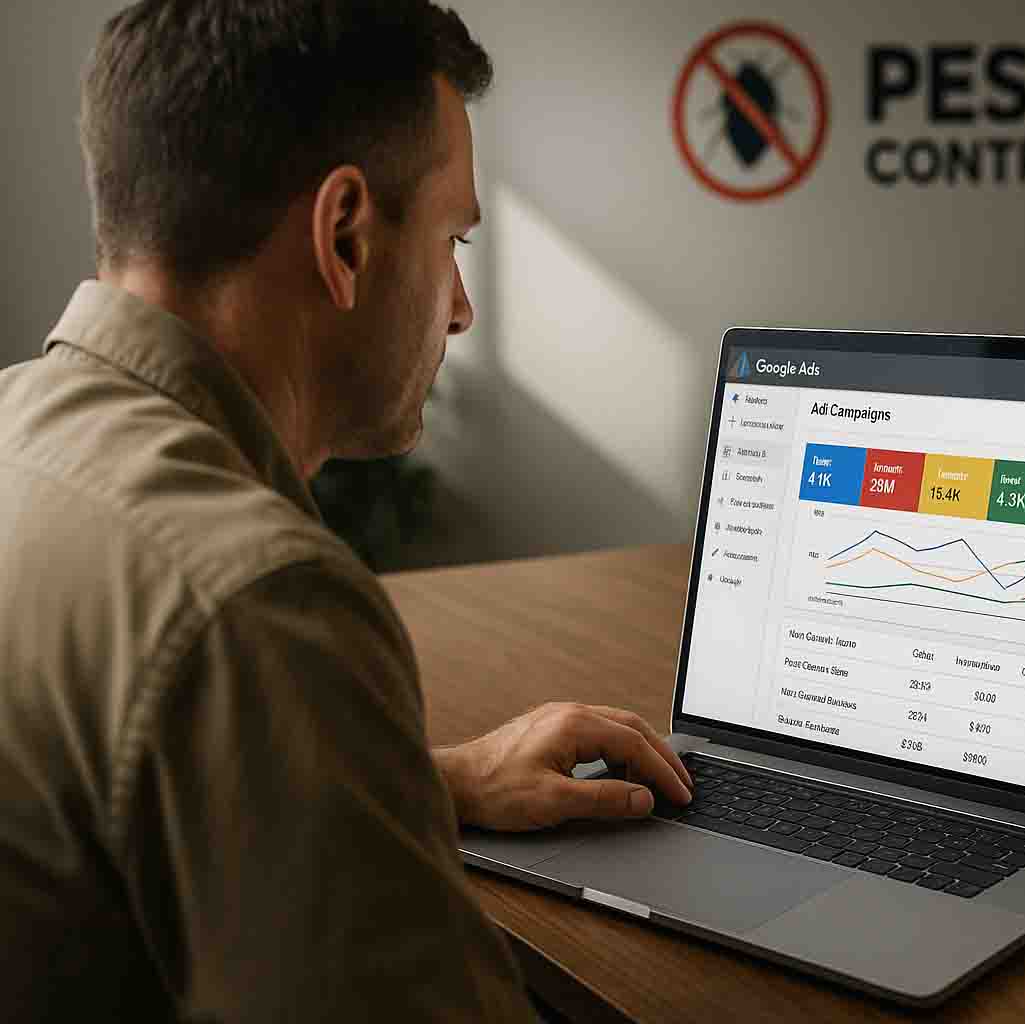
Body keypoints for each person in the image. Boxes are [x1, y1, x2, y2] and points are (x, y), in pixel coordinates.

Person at [0, 1, 692, 1019]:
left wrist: (429, 780)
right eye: (454, 235)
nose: (461, 305)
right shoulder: (259, 600)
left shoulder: (20, 432)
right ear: (345, 235)